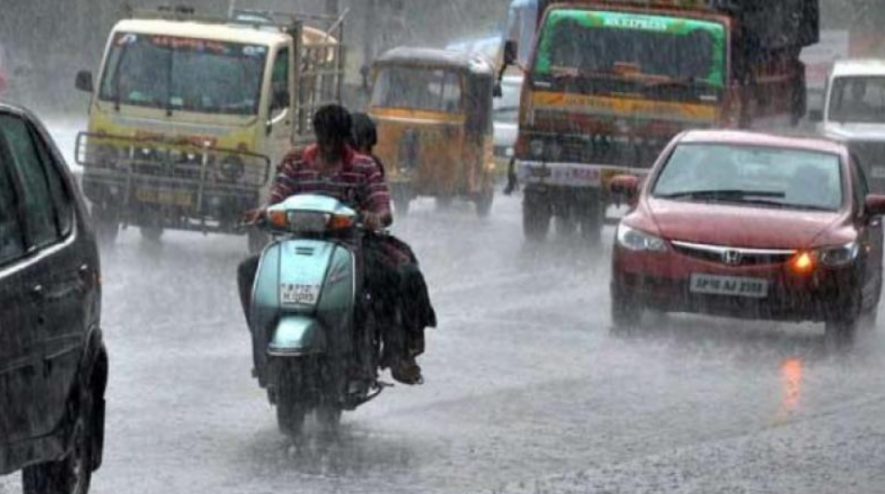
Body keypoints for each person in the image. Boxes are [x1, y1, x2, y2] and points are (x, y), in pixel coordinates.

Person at [237, 104, 435, 385]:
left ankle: (391, 353)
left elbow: (382, 207)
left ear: (345, 139)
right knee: (248, 272)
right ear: (316, 135)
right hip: (297, 246)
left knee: (387, 279)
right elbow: (277, 197)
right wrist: (263, 211)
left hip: (349, 247)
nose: (328, 147)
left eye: (335, 140)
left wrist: (375, 217)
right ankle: (263, 342)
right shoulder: (296, 163)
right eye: (323, 139)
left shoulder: (364, 167)